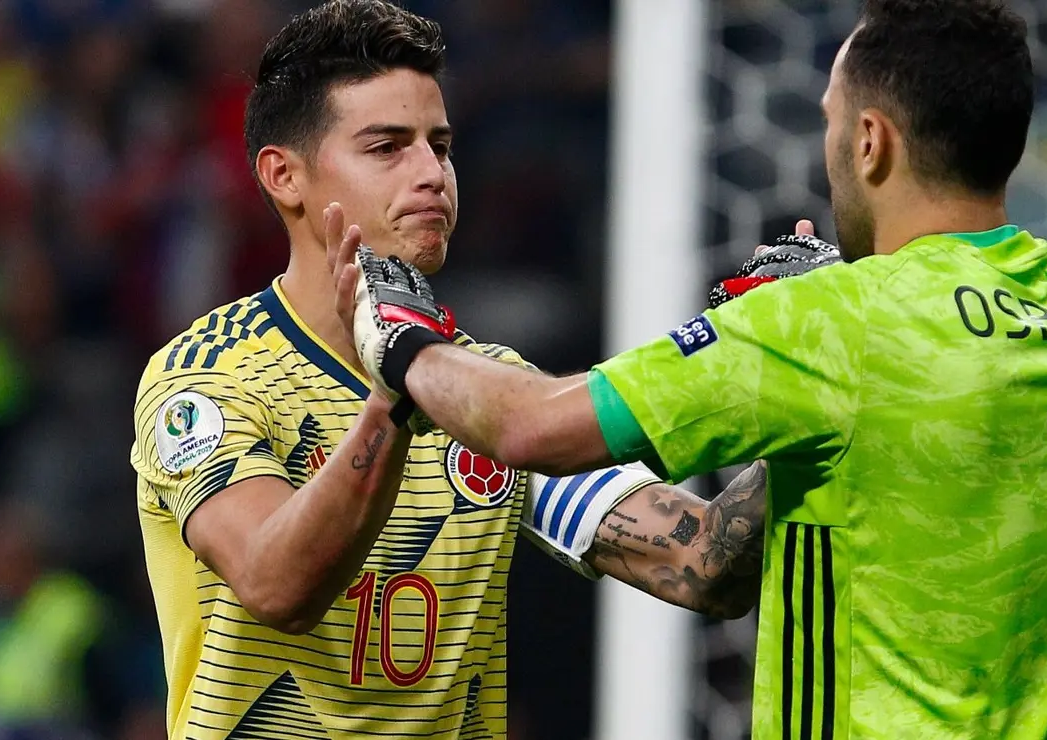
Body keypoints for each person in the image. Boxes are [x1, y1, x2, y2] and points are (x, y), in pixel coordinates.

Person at [334, 0, 1047, 737]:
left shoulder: (836, 324)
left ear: (870, 141)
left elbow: (531, 425)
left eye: (831, 121)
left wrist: (407, 341)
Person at [130, 2, 775, 738]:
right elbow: (277, 585)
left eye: (440, 145)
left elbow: (705, 562)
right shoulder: (209, 377)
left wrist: (786, 369)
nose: (432, 173)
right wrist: (397, 389)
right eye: (386, 147)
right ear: (285, 176)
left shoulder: (488, 393)